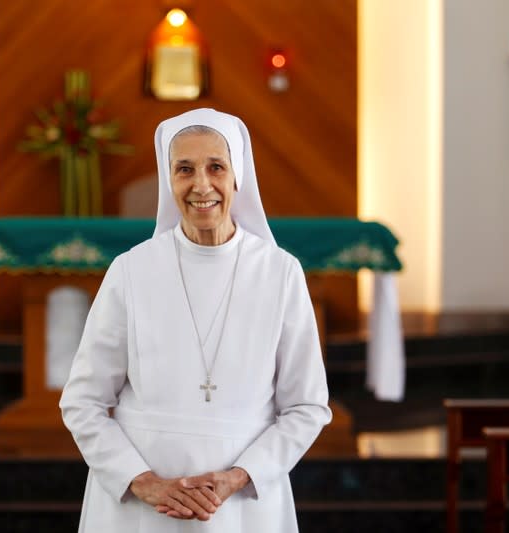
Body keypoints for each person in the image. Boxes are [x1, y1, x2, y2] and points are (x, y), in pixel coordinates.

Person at [60, 108, 332, 532]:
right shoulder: (131, 270)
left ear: (237, 175)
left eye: (216, 167)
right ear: (168, 179)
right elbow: (83, 402)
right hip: (139, 511)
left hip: (242, 509)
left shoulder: (280, 273)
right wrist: (141, 481)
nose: (201, 185)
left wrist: (239, 477)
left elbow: (307, 407)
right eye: (184, 169)